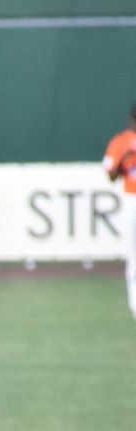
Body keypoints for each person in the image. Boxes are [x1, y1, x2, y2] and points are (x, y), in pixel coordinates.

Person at [102, 103, 136, 320]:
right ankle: (135, 305)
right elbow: (111, 175)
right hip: (132, 199)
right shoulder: (121, 142)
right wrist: (124, 158)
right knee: (134, 254)